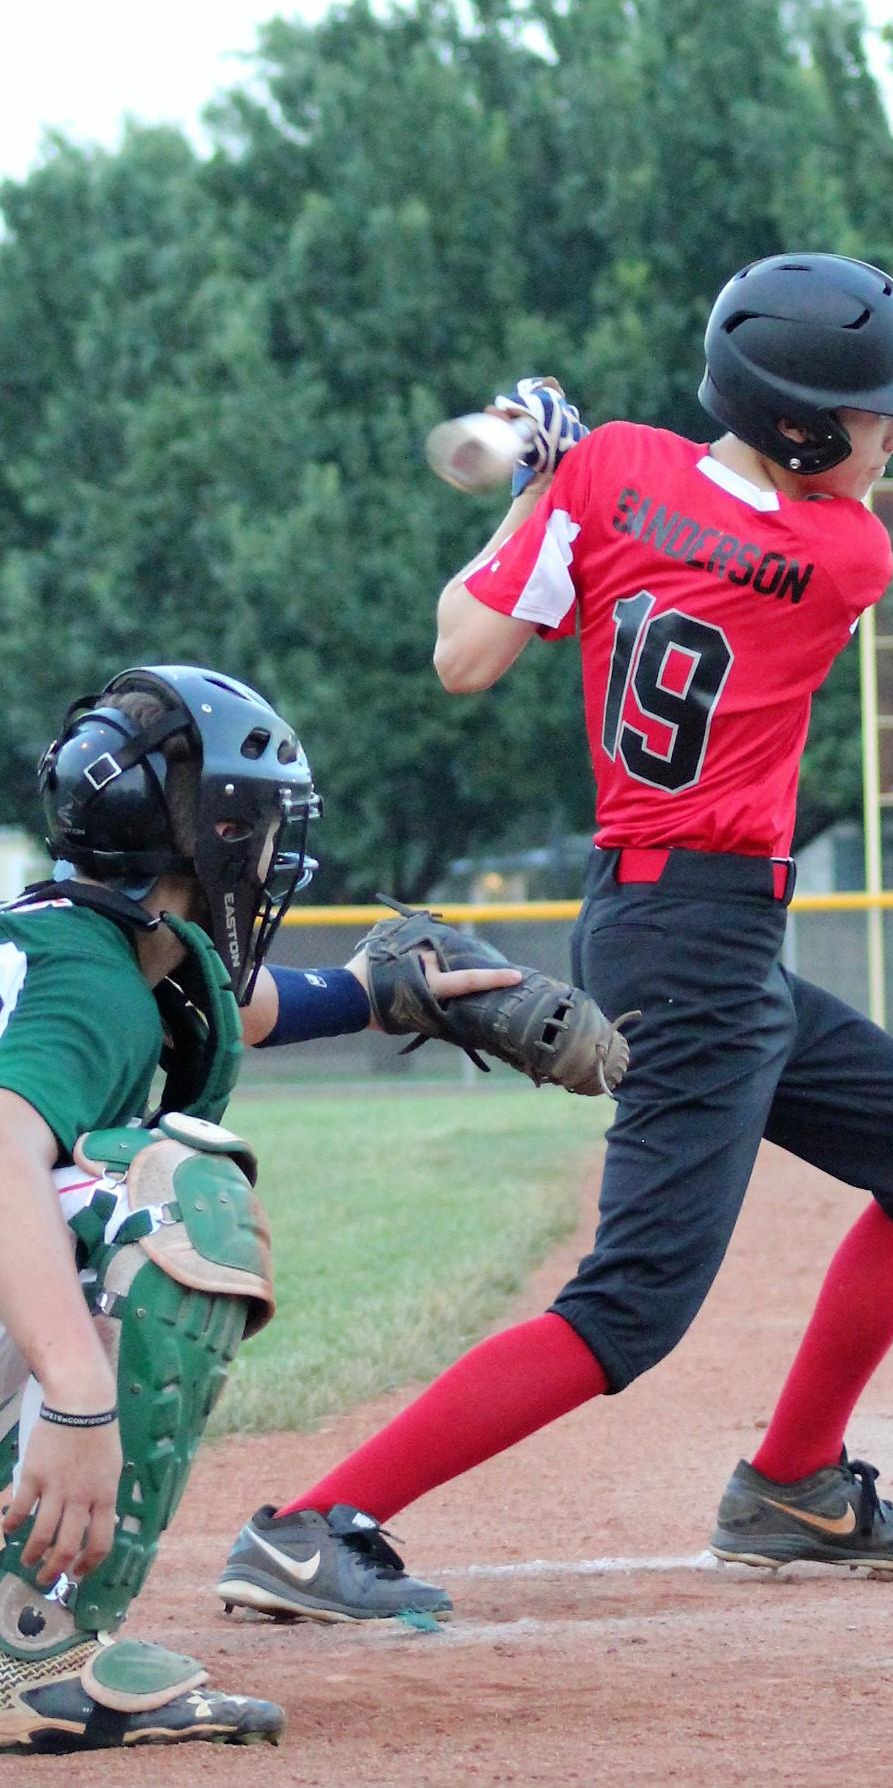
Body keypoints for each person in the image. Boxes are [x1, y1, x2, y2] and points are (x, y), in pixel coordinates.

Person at [217, 252, 893, 1622]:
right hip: (694, 944)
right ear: (802, 429)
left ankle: (796, 1486)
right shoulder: (846, 554)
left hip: (686, 932)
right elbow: (719, 524)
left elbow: (463, 654)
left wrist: (545, 481)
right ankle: (311, 1525)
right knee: (631, 1303)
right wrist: (569, 476)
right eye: (876, 414)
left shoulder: (611, 473)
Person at [0, 662, 520, 1751]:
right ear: (217, 838)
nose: (272, 851)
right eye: (262, 824)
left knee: (89, 1202)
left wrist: (373, 994)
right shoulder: (91, 982)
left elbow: (216, 1003)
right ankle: (25, 1644)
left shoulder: (63, 940)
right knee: (176, 1202)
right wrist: (80, 1394)